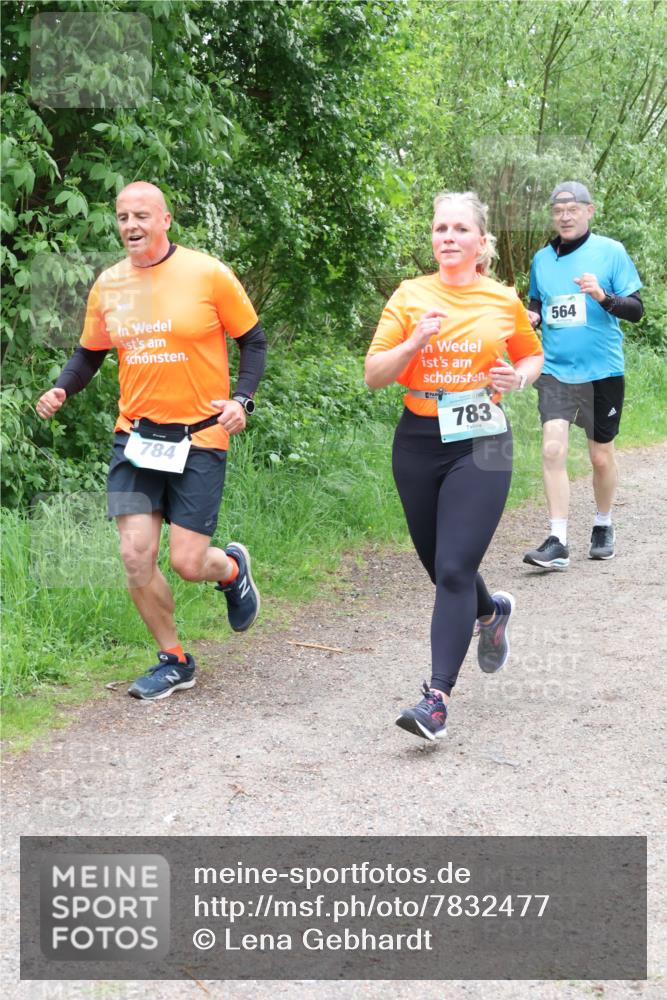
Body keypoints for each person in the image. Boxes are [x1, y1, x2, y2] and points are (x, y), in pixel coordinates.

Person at [36, 181, 267, 700]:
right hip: (136, 437)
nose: (130, 226)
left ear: (165, 220)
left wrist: (241, 400)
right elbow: (90, 352)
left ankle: (230, 570)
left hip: (201, 435)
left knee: (188, 563)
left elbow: (252, 340)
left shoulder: (207, 273)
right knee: (136, 555)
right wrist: (61, 387)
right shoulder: (110, 284)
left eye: (141, 215)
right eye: (122, 217)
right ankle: (175, 659)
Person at [365, 191, 543, 741]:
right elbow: (374, 374)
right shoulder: (410, 295)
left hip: (483, 440)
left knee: (453, 569)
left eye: (461, 229)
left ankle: (435, 700)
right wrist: (415, 340)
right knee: (441, 564)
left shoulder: (501, 298)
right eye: (441, 228)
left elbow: (529, 354)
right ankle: (490, 614)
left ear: (480, 242)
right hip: (418, 438)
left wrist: (521, 378)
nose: (448, 237)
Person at [524, 181, 643, 569]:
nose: (565, 215)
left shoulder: (611, 252)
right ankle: (557, 540)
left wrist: (603, 298)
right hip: (557, 370)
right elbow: (538, 303)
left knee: (600, 457)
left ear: (589, 211)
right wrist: (533, 317)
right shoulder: (541, 259)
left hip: (602, 371)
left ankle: (603, 523)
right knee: (552, 448)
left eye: (573, 208)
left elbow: (636, 309)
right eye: (558, 209)